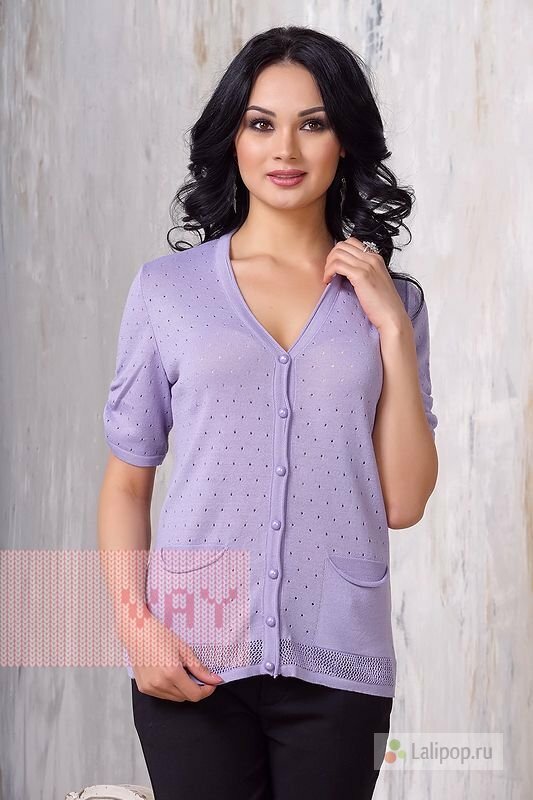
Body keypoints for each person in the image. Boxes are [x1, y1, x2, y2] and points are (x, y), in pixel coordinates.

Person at [97, 25, 438, 800]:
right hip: (188, 652)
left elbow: (404, 501)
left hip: (341, 662)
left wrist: (389, 327)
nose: (285, 148)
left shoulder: (393, 304)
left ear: (344, 139)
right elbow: (125, 483)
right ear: (234, 138)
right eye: (261, 123)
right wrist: (135, 629)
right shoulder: (167, 291)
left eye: (312, 123)